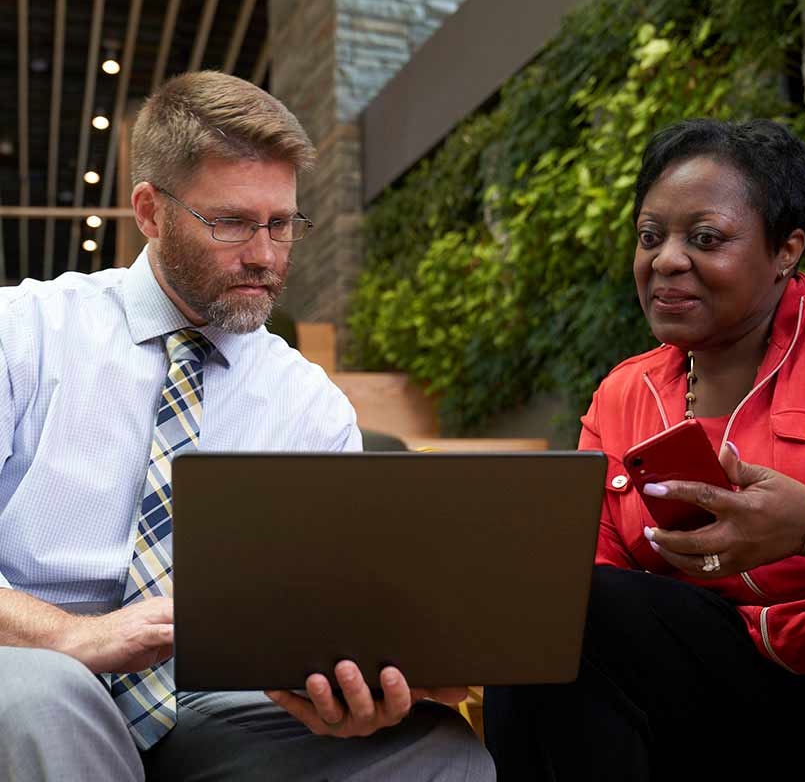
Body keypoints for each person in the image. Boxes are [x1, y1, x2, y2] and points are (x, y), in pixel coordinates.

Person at [0, 71, 494, 782]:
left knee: (441, 751)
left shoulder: (310, 405)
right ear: (150, 211)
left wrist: (347, 686)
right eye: (231, 222)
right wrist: (75, 636)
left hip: (222, 703)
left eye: (283, 222)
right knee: (42, 697)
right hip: (40, 673)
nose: (265, 253)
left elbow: (339, 602)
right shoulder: (24, 333)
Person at [484, 118, 805, 781]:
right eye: (650, 237)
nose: (666, 259)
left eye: (705, 239)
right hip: (728, 708)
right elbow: (592, 586)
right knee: (556, 617)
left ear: (786, 250)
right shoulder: (622, 396)